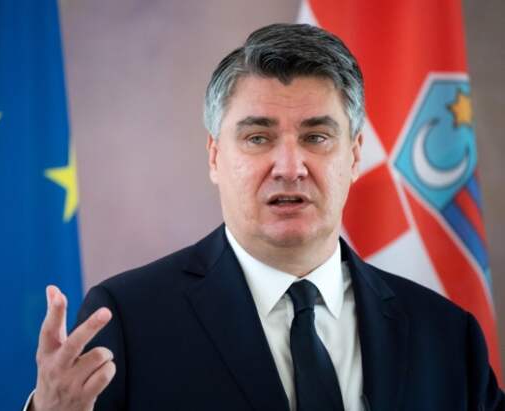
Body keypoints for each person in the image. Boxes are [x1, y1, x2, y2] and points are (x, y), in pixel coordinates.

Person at [27, 24, 505, 411]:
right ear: (215, 156)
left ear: (355, 155)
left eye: (317, 137)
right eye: (258, 138)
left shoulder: (447, 334)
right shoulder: (128, 319)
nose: (290, 167)